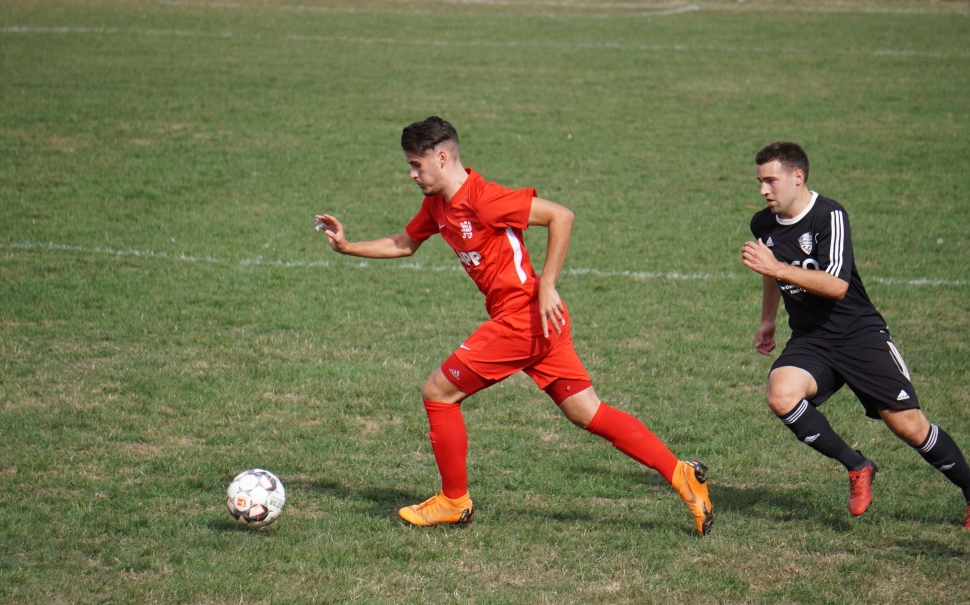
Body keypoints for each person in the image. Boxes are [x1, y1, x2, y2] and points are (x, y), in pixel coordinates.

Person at [315, 116, 713, 535]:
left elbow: (562, 216)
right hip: (540, 326)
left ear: (443, 156)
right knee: (588, 411)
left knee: (438, 393)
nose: (412, 174)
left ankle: (453, 501)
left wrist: (548, 286)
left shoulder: (484, 199)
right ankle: (681, 474)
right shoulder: (438, 205)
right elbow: (404, 243)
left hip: (521, 320)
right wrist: (347, 246)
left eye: (417, 165)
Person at [742, 141, 970, 529]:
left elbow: (835, 286)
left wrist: (778, 268)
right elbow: (771, 271)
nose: (764, 190)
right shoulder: (762, 223)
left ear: (798, 177)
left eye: (771, 181)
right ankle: (858, 465)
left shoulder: (829, 215)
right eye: (759, 181)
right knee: (781, 394)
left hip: (858, 335)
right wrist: (768, 320)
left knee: (909, 427)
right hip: (812, 338)